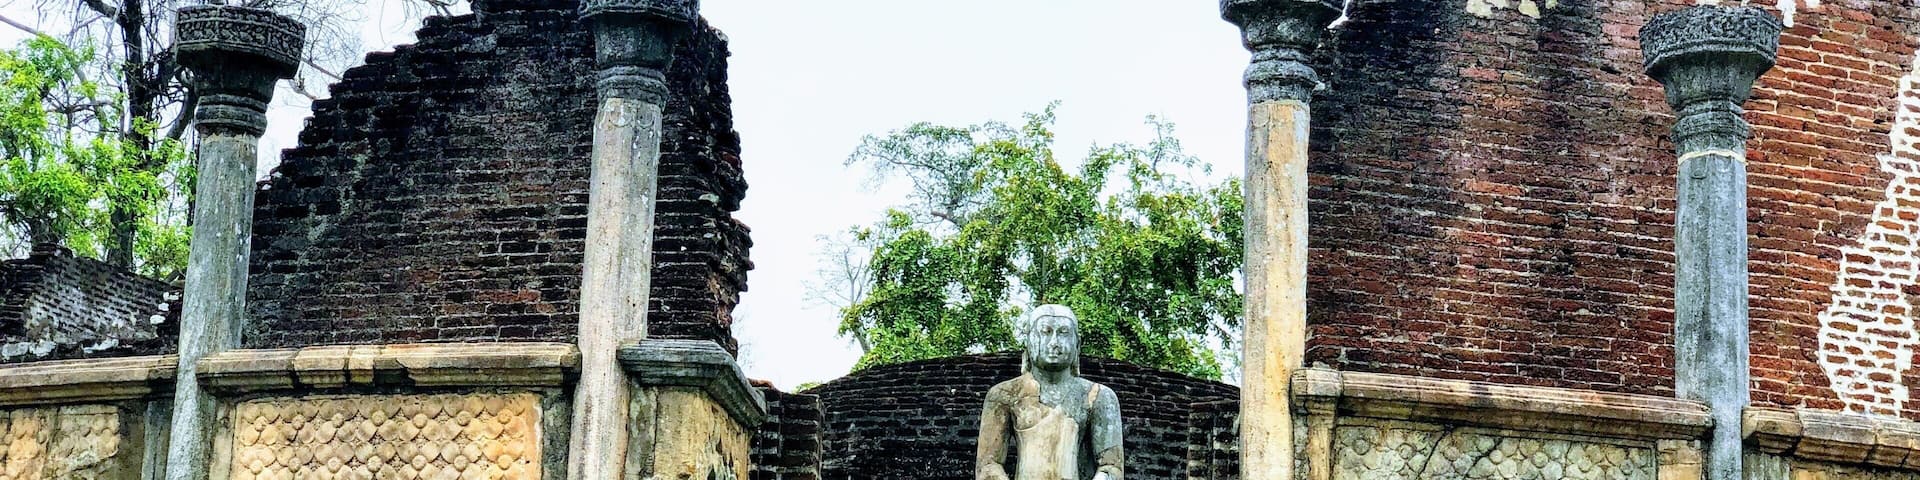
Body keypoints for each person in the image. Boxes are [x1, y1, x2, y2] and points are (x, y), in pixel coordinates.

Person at [975, 304, 1124, 480]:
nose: (1054, 343)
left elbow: (1111, 466)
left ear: (1077, 342)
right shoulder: (1004, 394)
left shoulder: (1100, 396)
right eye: (1045, 332)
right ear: (1029, 341)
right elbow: (988, 465)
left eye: (1063, 333)